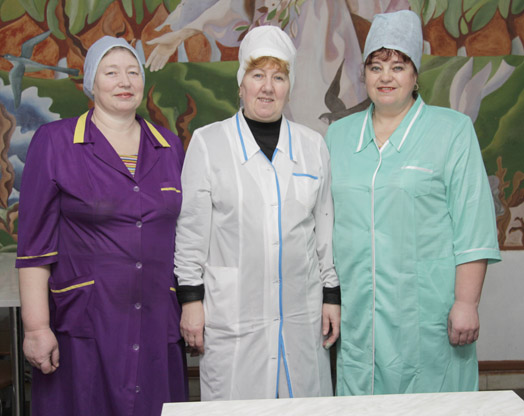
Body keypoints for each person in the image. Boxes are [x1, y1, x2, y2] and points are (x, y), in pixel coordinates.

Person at [325, 10, 501, 395]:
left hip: (428, 312)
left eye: (398, 66)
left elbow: (473, 225)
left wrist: (466, 303)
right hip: (359, 313)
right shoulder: (338, 137)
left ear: (415, 75)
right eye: (375, 67)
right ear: (363, 74)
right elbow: (323, 225)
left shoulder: (452, 131)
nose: (385, 77)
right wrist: (328, 297)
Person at [15, 36, 188, 415]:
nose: (124, 82)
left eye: (133, 72)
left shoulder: (169, 146)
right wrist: (36, 328)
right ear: (91, 83)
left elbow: (187, 236)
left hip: (156, 320)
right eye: (111, 72)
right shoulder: (55, 142)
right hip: (86, 323)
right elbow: (34, 247)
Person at [174, 25, 340, 400]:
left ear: (289, 87)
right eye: (257, 75)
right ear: (241, 83)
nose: (267, 87)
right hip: (233, 320)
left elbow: (324, 233)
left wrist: (331, 295)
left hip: (301, 315)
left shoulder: (312, 146)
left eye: (279, 77)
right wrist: (190, 303)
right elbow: (191, 234)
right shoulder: (208, 143)